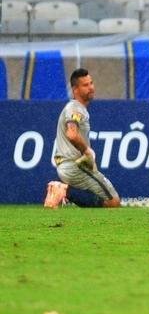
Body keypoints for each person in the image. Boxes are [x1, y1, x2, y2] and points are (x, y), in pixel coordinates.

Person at [43, 68, 121, 209]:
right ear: (75, 89)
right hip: (75, 165)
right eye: (85, 85)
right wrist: (86, 151)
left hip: (69, 165)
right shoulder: (75, 109)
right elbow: (72, 134)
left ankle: (66, 192)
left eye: (91, 83)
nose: (91, 87)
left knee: (105, 202)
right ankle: (64, 190)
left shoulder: (78, 108)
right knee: (113, 202)